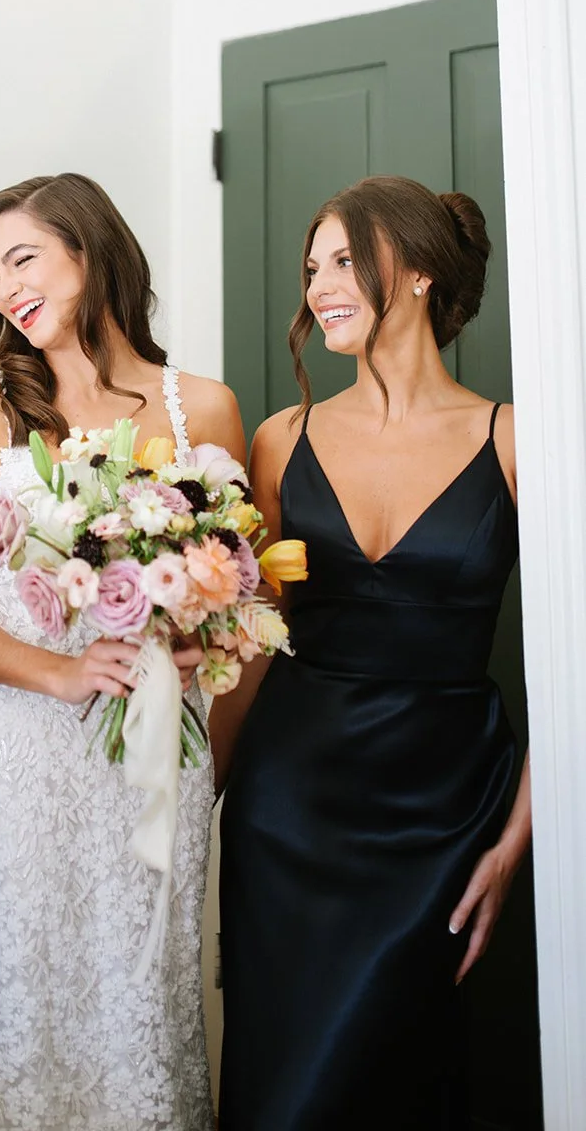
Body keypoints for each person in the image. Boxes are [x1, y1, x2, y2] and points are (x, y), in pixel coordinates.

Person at [0, 173, 244, 1131]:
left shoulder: (206, 410)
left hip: (152, 757)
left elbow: (234, 595)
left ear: (90, 249)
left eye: (23, 257)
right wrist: (65, 672)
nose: (6, 288)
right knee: (21, 1000)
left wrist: (189, 638)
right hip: (19, 758)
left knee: (141, 1000)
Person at [212, 176, 531, 1130]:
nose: (320, 285)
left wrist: (518, 840)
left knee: (408, 1073)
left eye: (346, 260)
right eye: (312, 267)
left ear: (422, 270)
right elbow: (256, 636)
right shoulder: (280, 441)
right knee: (285, 1082)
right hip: (290, 805)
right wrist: (197, 794)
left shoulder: (517, 440)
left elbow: (578, 664)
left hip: (446, 805)